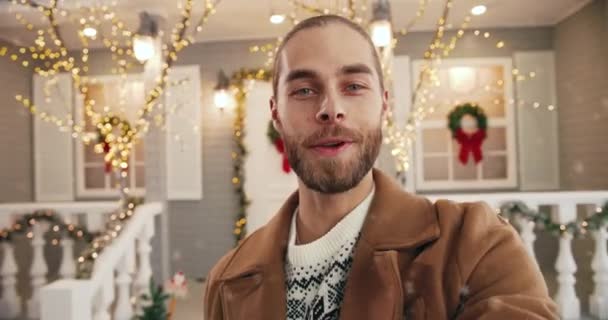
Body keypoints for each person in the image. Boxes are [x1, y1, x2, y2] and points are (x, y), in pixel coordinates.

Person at [204, 14, 557, 320]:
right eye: (304, 90)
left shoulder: (476, 245)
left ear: (384, 106)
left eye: (354, 86)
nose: (331, 108)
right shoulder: (227, 281)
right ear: (276, 114)